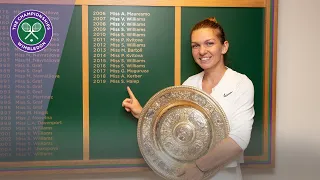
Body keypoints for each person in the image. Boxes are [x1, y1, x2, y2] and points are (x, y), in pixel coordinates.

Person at [122, 17, 255, 180]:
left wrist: (199, 167)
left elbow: (239, 139)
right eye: (195, 45)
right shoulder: (189, 84)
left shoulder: (241, 83)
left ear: (224, 47)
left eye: (209, 43)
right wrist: (142, 113)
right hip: (189, 174)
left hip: (224, 174)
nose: (202, 51)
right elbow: (175, 130)